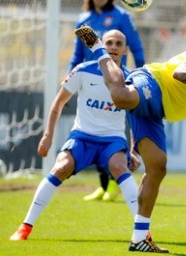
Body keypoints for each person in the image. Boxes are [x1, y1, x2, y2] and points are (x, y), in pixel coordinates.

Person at [74, 25, 186, 253]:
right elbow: (180, 74)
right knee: (121, 97)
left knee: (157, 167)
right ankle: (98, 49)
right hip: (153, 81)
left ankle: (139, 238)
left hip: (157, 111)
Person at [9, 30, 141, 241]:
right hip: (82, 137)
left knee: (119, 167)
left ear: (125, 49)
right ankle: (25, 227)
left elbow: (137, 117)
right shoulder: (83, 70)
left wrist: (134, 151)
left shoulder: (132, 78)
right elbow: (58, 103)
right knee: (60, 167)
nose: (114, 47)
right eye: (109, 43)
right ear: (101, 46)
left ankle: (143, 231)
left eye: (119, 44)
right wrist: (48, 136)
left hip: (112, 140)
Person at [69, 0, 145, 202]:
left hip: (116, 79)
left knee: (112, 126)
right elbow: (77, 53)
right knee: (92, 127)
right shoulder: (84, 18)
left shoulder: (122, 16)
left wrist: (141, 73)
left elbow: (135, 46)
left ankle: (115, 179)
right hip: (90, 78)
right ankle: (105, 186)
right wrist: (70, 74)